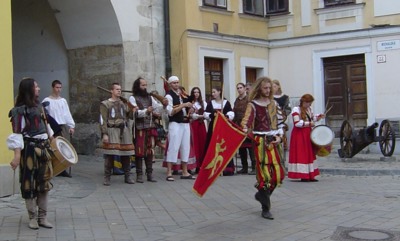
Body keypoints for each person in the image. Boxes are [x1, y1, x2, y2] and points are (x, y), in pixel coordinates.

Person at [7, 77, 55, 229]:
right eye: (36, 86)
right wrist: (16, 156)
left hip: (44, 147)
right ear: (29, 89)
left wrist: (53, 141)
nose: (39, 89)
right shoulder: (19, 111)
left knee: (44, 183)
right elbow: (16, 134)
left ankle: (43, 217)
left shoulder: (40, 106)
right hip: (29, 149)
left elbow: (46, 126)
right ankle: (32, 217)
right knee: (29, 184)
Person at [241, 76, 285, 220]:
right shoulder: (252, 105)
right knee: (265, 176)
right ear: (259, 88)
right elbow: (245, 123)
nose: (268, 90)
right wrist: (245, 128)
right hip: (260, 142)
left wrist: (279, 136)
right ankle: (265, 208)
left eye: (269, 88)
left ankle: (261, 195)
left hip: (275, 142)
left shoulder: (274, 104)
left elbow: (280, 123)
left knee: (279, 175)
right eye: (265, 88)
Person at [129, 77, 168, 183]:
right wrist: (146, 111)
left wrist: (164, 105)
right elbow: (135, 113)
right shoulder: (133, 98)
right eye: (143, 85)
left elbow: (158, 108)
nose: (145, 87)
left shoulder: (150, 98)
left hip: (150, 127)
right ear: (138, 86)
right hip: (139, 128)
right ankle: (139, 174)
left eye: (146, 85)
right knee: (139, 151)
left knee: (149, 151)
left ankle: (149, 174)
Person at [100, 83, 135, 186]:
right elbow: (103, 120)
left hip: (124, 130)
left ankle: (127, 176)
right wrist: (105, 134)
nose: (119, 91)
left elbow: (131, 116)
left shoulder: (124, 103)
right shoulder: (105, 104)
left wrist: (133, 109)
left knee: (126, 154)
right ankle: (107, 177)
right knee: (110, 155)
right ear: (112, 91)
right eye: (117, 89)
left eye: (120, 89)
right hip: (112, 130)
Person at [164, 76, 196, 181]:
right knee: (173, 147)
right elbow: (171, 112)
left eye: (177, 82)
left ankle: (185, 171)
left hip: (185, 123)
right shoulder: (169, 96)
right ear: (170, 84)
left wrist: (190, 109)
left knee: (185, 147)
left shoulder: (183, 94)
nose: (176, 84)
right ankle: (169, 172)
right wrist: (183, 105)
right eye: (174, 83)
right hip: (175, 123)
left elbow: (189, 106)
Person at [287, 94, 325, 182]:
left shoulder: (309, 109)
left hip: (307, 133)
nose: (309, 105)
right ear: (304, 102)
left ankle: (310, 174)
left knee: (309, 153)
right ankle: (303, 175)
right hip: (299, 135)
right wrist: (309, 124)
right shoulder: (296, 109)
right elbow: (297, 123)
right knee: (302, 153)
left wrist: (318, 117)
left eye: (310, 103)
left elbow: (311, 118)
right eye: (308, 103)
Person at [42, 80, 75, 178]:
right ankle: (53, 168)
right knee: (53, 148)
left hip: (62, 126)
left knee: (63, 148)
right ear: (53, 88)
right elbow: (45, 116)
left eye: (60, 87)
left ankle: (63, 169)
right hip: (52, 127)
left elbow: (66, 113)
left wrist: (71, 125)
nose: (59, 90)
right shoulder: (46, 101)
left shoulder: (63, 101)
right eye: (57, 87)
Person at [204, 86, 235, 176]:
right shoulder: (210, 103)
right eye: (212, 92)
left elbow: (231, 113)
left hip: (223, 127)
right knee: (212, 145)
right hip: (213, 127)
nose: (213, 94)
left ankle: (226, 168)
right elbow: (206, 113)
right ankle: (211, 167)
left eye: (214, 92)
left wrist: (225, 116)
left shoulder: (226, 103)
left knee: (223, 145)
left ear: (219, 92)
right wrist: (212, 115)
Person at [233, 83, 256, 175]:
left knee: (251, 147)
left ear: (244, 89)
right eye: (237, 88)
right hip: (239, 125)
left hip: (248, 125)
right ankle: (244, 167)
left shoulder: (250, 99)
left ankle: (254, 167)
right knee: (241, 148)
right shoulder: (237, 100)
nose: (239, 89)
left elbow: (252, 112)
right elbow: (234, 111)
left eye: (240, 88)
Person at [189, 87, 207, 173]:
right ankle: (193, 165)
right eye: (194, 92)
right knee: (194, 144)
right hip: (193, 125)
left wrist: (200, 116)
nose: (196, 94)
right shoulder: (190, 103)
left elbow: (207, 114)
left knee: (202, 144)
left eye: (198, 92)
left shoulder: (203, 103)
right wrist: (193, 115)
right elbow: (189, 115)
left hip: (201, 125)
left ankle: (200, 166)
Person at [272, 79, 291, 151]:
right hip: (272, 119)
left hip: (282, 120)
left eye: (274, 86)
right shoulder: (270, 98)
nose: (273, 88)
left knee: (282, 134)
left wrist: (283, 115)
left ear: (278, 86)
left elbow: (288, 109)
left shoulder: (285, 97)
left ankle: (283, 148)